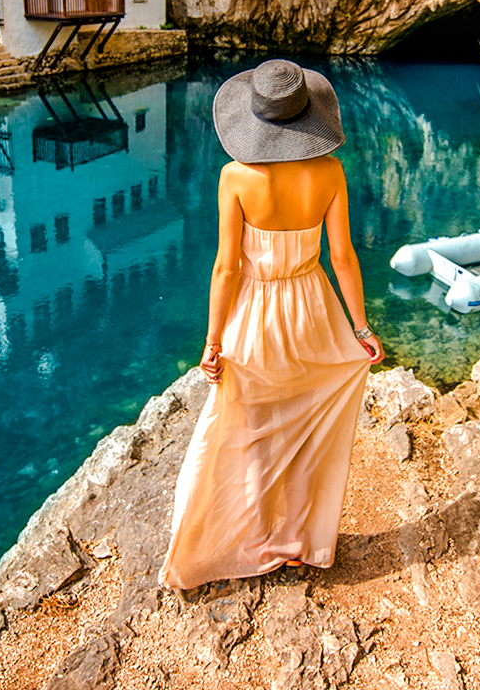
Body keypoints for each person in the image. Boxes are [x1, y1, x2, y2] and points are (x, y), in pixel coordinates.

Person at [159, 59, 384, 590]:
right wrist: (360, 328)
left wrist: (212, 342)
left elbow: (227, 267)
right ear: (306, 118)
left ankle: (263, 541)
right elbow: (344, 257)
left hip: (257, 317)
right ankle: (303, 543)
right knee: (306, 427)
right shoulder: (330, 172)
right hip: (313, 309)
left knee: (255, 433)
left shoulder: (236, 176)